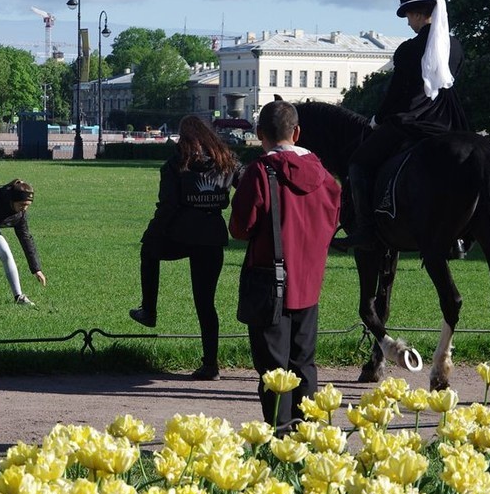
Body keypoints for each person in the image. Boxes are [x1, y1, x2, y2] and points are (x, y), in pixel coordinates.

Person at [229, 100, 341, 433]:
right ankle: (306, 434)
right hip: (309, 282)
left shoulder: (260, 172)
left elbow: (240, 228)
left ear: (259, 133)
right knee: (303, 363)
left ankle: (279, 437)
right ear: (297, 133)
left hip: (269, 280)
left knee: (274, 371)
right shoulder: (322, 174)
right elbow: (333, 219)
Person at [332, 0, 469, 250]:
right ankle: (462, 234)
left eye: (408, 16)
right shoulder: (456, 46)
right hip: (450, 120)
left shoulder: (409, 49)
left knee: (359, 163)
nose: (408, 23)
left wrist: (378, 118)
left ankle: (366, 230)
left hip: (413, 119)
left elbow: (397, 94)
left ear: (418, 14)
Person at [128, 115, 241, 380]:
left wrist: (153, 234)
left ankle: (149, 310)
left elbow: (168, 206)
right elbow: (247, 184)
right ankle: (211, 364)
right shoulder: (226, 162)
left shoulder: (177, 163)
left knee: (149, 251)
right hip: (212, 235)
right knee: (206, 303)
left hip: (182, 234)